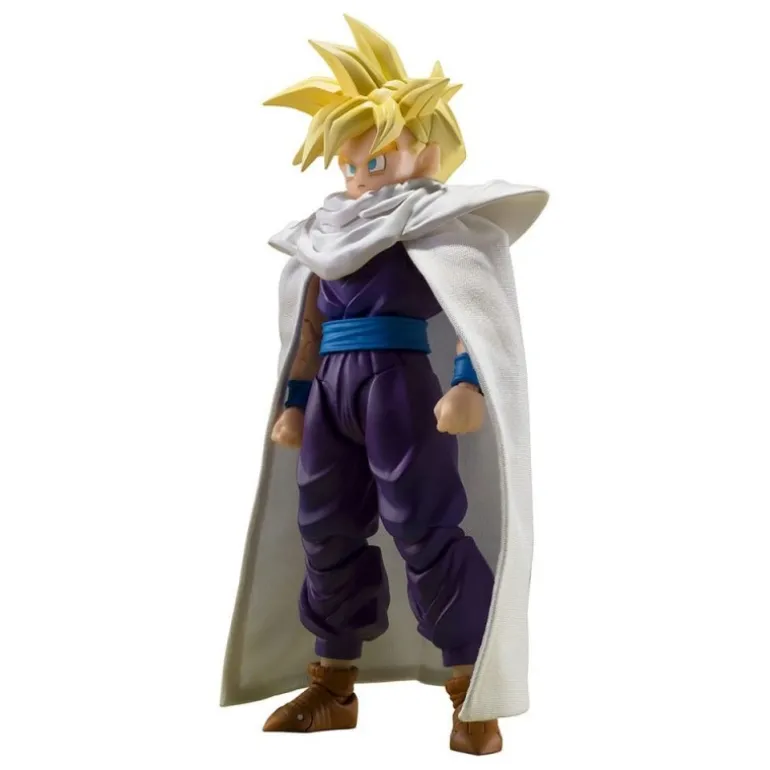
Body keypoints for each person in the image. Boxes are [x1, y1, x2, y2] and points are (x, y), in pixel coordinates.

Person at [221, 16, 548, 756]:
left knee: (425, 526)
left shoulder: (437, 224)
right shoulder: (325, 233)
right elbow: (307, 327)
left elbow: (475, 312)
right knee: (324, 528)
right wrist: (296, 401)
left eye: (376, 159)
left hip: (399, 386)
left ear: (425, 151)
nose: (359, 176)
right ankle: (334, 683)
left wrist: (467, 382)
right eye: (350, 164)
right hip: (332, 394)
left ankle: (470, 691)